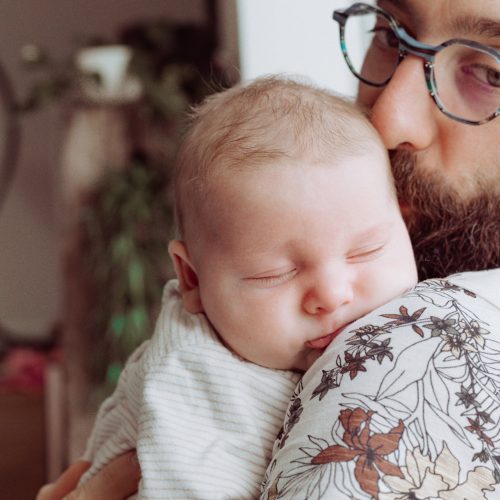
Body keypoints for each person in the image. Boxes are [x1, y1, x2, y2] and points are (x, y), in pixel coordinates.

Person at [37, 0, 499, 498]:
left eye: (489, 74)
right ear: (190, 278)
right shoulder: (192, 389)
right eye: (388, 33)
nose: (387, 119)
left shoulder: (427, 342)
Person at [73, 76, 419, 499]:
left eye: (367, 250)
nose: (332, 295)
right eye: (274, 274)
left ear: (406, 224)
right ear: (193, 279)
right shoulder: (193, 383)